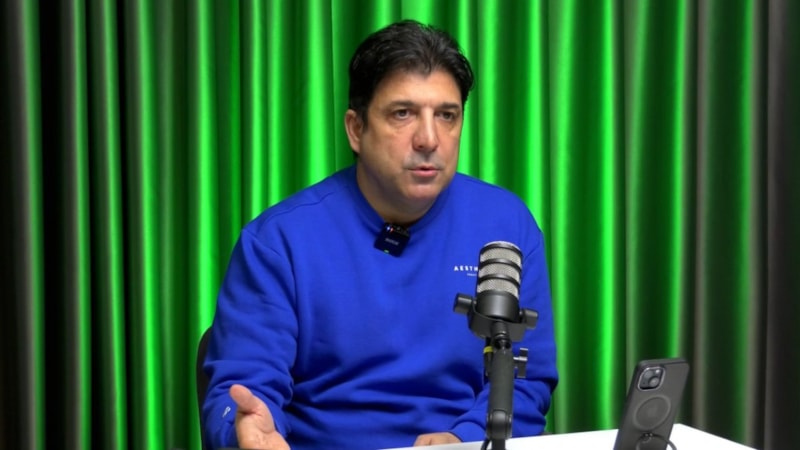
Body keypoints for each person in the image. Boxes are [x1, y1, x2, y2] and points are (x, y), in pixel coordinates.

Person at [202, 19, 558, 450]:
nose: (428, 139)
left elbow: (527, 379)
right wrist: (247, 433)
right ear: (356, 129)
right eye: (402, 114)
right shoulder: (278, 242)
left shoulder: (506, 225)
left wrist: (462, 439)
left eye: (446, 115)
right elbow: (243, 390)